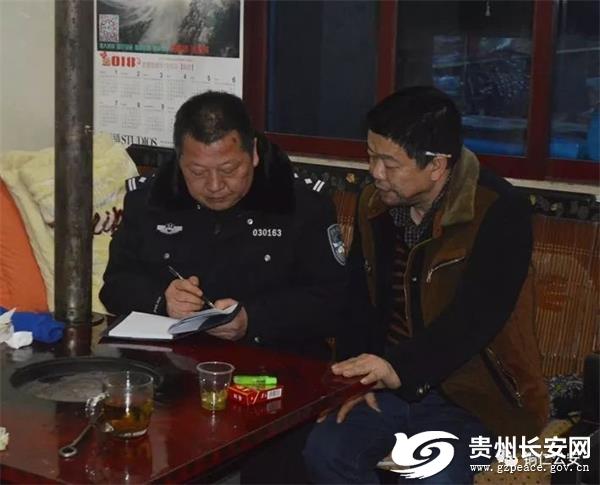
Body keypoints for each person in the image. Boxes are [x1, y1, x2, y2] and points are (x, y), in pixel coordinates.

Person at [303, 86, 549, 483]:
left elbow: (476, 318)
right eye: (371, 156)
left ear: (436, 165)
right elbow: (357, 301)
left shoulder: (498, 211)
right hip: (387, 388)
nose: (375, 172)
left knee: (433, 475)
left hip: (473, 397)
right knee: (325, 450)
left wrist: (396, 367)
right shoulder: (375, 205)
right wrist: (352, 382)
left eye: (389, 163)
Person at [100, 91, 346, 359]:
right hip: (171, 365)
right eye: (197, 172)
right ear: (179, 160)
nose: (215, 186)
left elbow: (333, 303)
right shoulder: (151, 201)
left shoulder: (301, 206)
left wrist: (253, 320)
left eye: (229, 170)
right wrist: (162, 300)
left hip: (274, 363)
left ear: (253, 153)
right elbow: (115, 286)